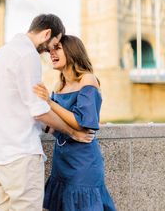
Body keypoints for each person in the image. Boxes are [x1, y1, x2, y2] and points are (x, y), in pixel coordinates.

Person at [0, 14, 95, 211]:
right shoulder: (28, 55)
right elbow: (39, 111)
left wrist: (48, 121)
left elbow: (18, 107)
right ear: (46, 33)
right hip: (22, 157)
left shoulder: (1, 53)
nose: (50, 50)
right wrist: (73, 132)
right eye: (54, 44)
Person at [34, 34, 117, 211]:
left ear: (72, 51)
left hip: (83, 164)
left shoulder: (87, 79)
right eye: (50, 50)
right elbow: (55, 125)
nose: (52, 53)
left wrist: (49, 103)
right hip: (61, 163)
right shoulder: (59, 86)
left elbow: (82, 122)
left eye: (57, 48)